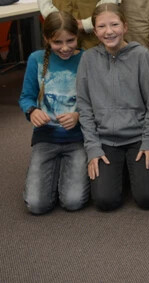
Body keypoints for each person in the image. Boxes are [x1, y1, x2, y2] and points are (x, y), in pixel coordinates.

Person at [76, 3, 149, 211]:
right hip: (105, 141)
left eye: (114, 24)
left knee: (147, 198)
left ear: (125, 26)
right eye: (102, 27)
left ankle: (132, 171)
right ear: (95, 31)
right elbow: (84, 108)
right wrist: (93, 148)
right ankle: (120, 171)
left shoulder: (141, 56)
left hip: (138, 138)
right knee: (105, 201)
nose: (109, 31)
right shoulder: (88, 59)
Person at [19, 11, 88, 215]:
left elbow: (96, 102)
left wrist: (78, 116)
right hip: (46, 137)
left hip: (78, 139)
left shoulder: (86, 59)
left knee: (73, 202)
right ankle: (46, 171)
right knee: (37, 205)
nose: (65, 48)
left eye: (71, 40)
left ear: (78, 37)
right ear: (47, 39)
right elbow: (26, 97)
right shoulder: (36, 59)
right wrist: (32, 111)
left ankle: (59, 171)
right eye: (58, 42)